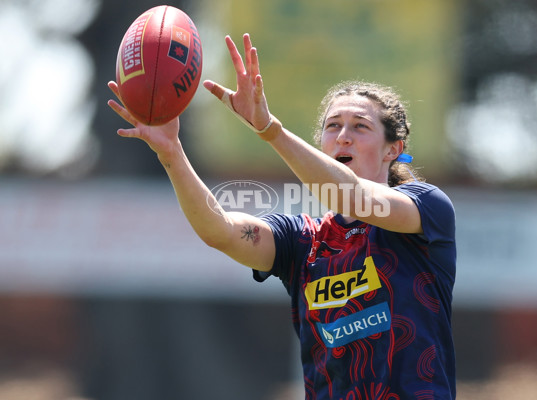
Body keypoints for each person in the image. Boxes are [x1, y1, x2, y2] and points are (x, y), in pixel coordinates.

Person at [108, 33, 456, 400]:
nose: (343, 137)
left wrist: (269, 129)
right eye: (333, 126)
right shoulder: (302, 241)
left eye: (360, 126)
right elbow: (220, 231)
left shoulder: (426, 207)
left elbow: (350, 195)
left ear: (393, 150)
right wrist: (171, 153)